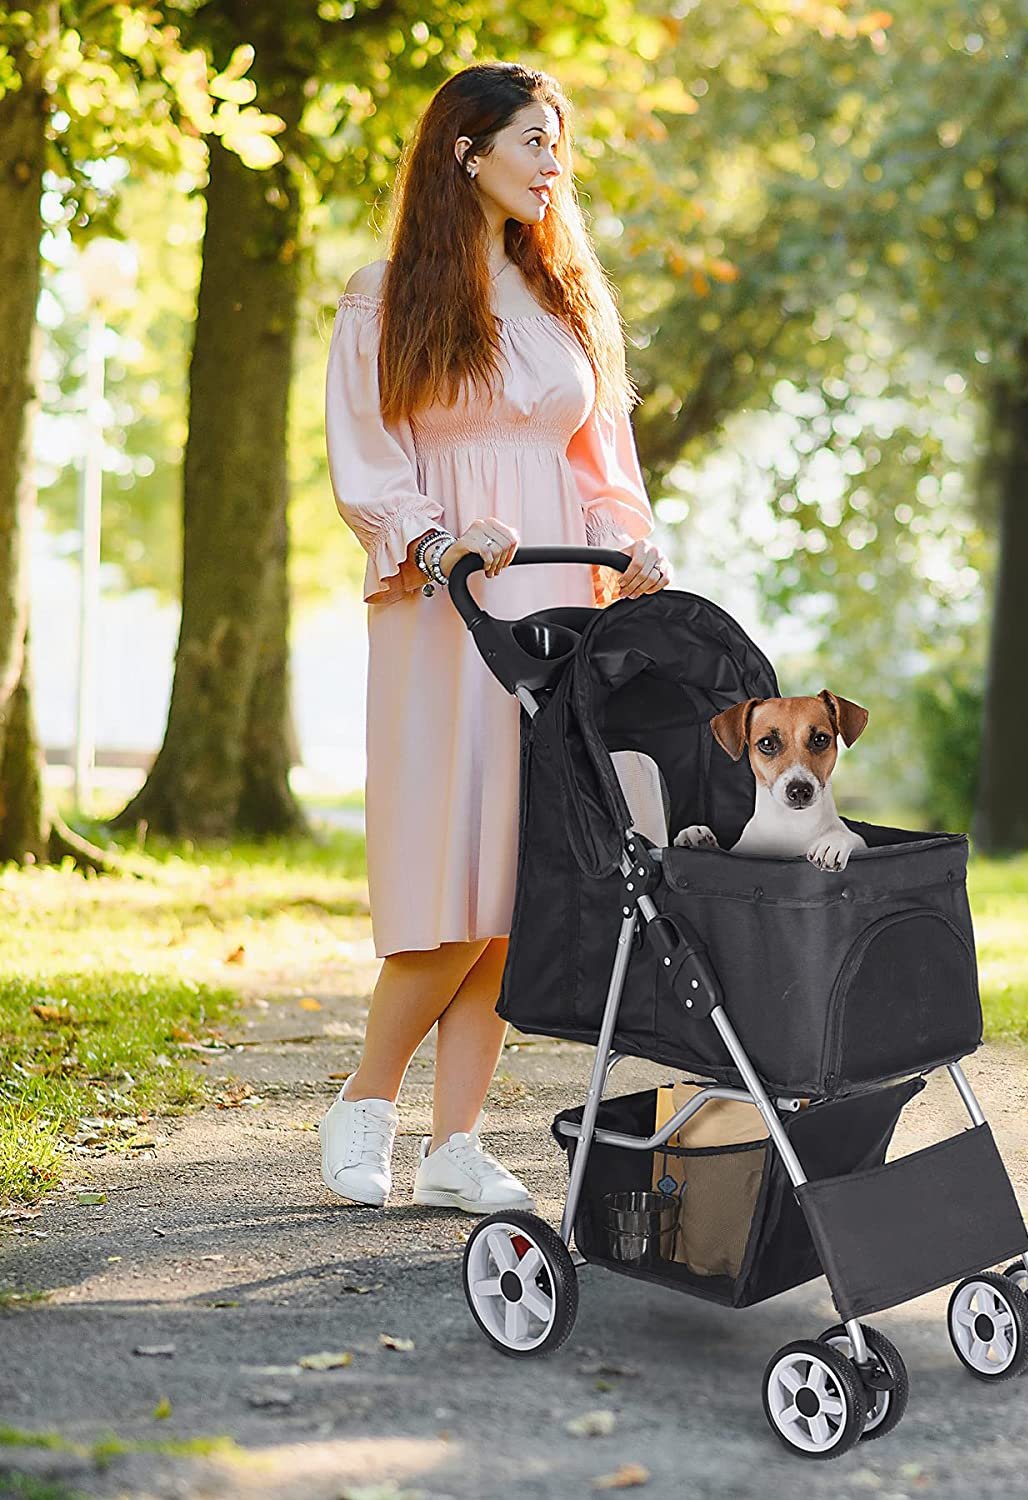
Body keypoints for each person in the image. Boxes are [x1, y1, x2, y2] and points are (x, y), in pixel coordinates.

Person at [319, 61, 672, 1213]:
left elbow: (602, 466)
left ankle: (455, 1144)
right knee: (450, 866)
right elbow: (368, 460)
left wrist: (632, 545)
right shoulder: (384, 297)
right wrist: (438, 546)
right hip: (446, 607)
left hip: (559, 601)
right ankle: (366, 1102)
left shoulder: (566, 300)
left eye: (559, 143)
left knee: (521, 875)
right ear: (466, 153)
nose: (553, 163)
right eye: (533, 140)